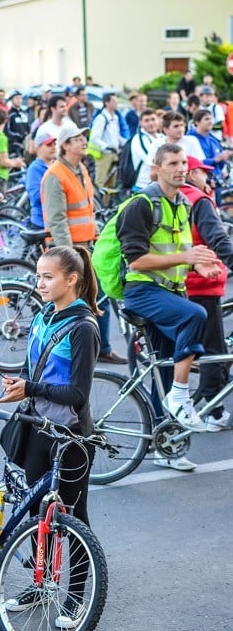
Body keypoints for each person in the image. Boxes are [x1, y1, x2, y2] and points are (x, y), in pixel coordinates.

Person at [0, 245, 101, 626]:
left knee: (73, 517)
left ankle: (75, 596)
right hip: (37, 428)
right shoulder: (45, 315)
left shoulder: (84, 328)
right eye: (38, 275)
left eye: (47, 276)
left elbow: (77, 394)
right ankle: (42, 585)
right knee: (37, 511)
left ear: (71, 279)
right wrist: (20, 385)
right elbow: (34, 368)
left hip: (70, 436)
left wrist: (30, 388)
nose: (39, 283)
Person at [116, 143, 220, 433]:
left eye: (183, 163)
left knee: (162, 368)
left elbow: (176, 252)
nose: (181, 169)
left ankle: (163, 442)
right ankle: (180, 394)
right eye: (173, 163)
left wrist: (197, 266)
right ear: (156, 168)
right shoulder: (141, 204)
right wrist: (187, 258)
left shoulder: (181, 204)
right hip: (142, 290)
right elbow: (135, 261)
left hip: (169, 290)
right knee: (195, 315)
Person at [41, 126, 126, 364]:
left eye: (83, 138)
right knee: (81, 300)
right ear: (65, 145)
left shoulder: (80, 169)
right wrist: (69, 255)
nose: (83, 142)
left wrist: (96, 233)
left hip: (87, 244)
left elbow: (87, 208)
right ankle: (80, 350)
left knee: (97, 297)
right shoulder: (55, 175)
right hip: (73, 249)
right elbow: (57, 219)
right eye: (77, 139)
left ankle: (101, 348)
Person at [181, 155, 233, 437]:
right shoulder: (199, 200)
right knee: (213, 350)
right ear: (190, 174)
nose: (208, 177)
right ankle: (215, 412)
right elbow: (218, 239)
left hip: (184, 283)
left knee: (203, 346)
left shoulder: (176, 198)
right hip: (201, 282)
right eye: (203, 172)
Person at [88, 93, 126, 186]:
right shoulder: (101, 118)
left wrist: (126, 143)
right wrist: (106, 147)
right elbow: (94, 138)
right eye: (113, 101)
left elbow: (116, 136)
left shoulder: (115, 117)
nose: (116, 103)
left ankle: (106, 201)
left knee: (111, 183)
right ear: (106, 103)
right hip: (104, 155)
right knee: (100, 181)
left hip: (114, 153)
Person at [24, 128, 56, 229]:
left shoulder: (57, 165)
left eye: (54, 144)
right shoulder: (34, 169)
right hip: (42, 222)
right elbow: (35, 196)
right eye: (49, 145)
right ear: (38, 147)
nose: (53, 147)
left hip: (56, 221)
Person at [129, 108, 165, 192]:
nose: (151, 123)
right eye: (147, 120)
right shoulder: (138, 139)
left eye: (153, 119)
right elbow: (152, 159)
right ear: (140, 123)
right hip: (143, 185)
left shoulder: (162, 137)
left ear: (158, 120)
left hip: (160, 184)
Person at [0, 108, 23, 193]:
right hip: (0, 174)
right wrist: (16, 163)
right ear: (6, 120)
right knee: (1, 203)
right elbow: (3, 162)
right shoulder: (1, 138)